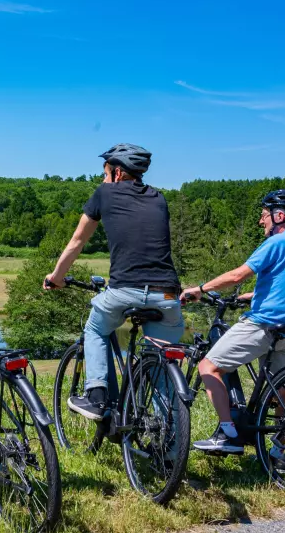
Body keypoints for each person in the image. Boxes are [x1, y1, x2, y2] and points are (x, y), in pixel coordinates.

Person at [43, 143, 184, 420]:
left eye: (105, 172)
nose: (103, 178)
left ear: (117, 173)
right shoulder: (159, 198)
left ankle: (96, 397)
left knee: (95, 330)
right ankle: (168, 440)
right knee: (156, 362)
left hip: (124, 290)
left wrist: (55, 277)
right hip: (167, 295)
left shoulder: (105, 192)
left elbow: (77, 242)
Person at [180, 189, 285, 454]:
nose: (261, 221)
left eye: (265, 215)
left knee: (208, 367)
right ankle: (279, 449)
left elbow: (236, 276)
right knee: (278, 388)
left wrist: (199, 289)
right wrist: (256, 294)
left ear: (280, 215)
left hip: (263, 324)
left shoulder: (277, 242)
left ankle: (227, 433)